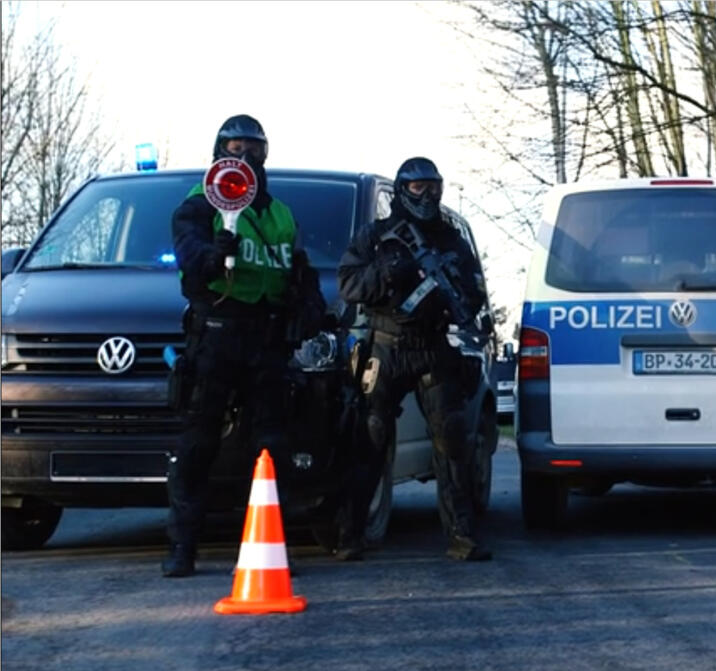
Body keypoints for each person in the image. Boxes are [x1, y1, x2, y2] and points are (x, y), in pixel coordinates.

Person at [163, 114, 328, 577]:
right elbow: (190, 261)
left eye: (253, 149)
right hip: (216, 331)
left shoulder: (280, 215)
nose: (244, 157)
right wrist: (212, 255)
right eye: (234, 148)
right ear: (219, 152)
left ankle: (269, 540)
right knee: (198, 444)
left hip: (267, 338)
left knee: (272, 443)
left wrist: (309, 306)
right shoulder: (197, 205)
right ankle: (182, 547)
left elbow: (299, 270)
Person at [337, 157, 492, 562]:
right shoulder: (375, 236)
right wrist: (387, 273)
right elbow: (349, 284)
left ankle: (463, 537)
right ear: (403, 190)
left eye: (434, 187)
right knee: (369, 438)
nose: (427, 195)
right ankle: (349, 534)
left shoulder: (451, 240)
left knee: (452, 438)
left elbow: (473, 292)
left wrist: (445, 299)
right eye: (418, 187)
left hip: (433, 345)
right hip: (386, 344)